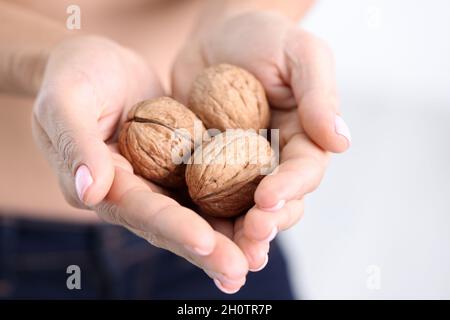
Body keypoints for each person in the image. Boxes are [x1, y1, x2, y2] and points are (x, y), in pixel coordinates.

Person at [0, 0, 351, 298]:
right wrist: (52, 58)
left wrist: (239, 15)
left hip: (218, 239)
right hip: (14, 254)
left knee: (234, 258)